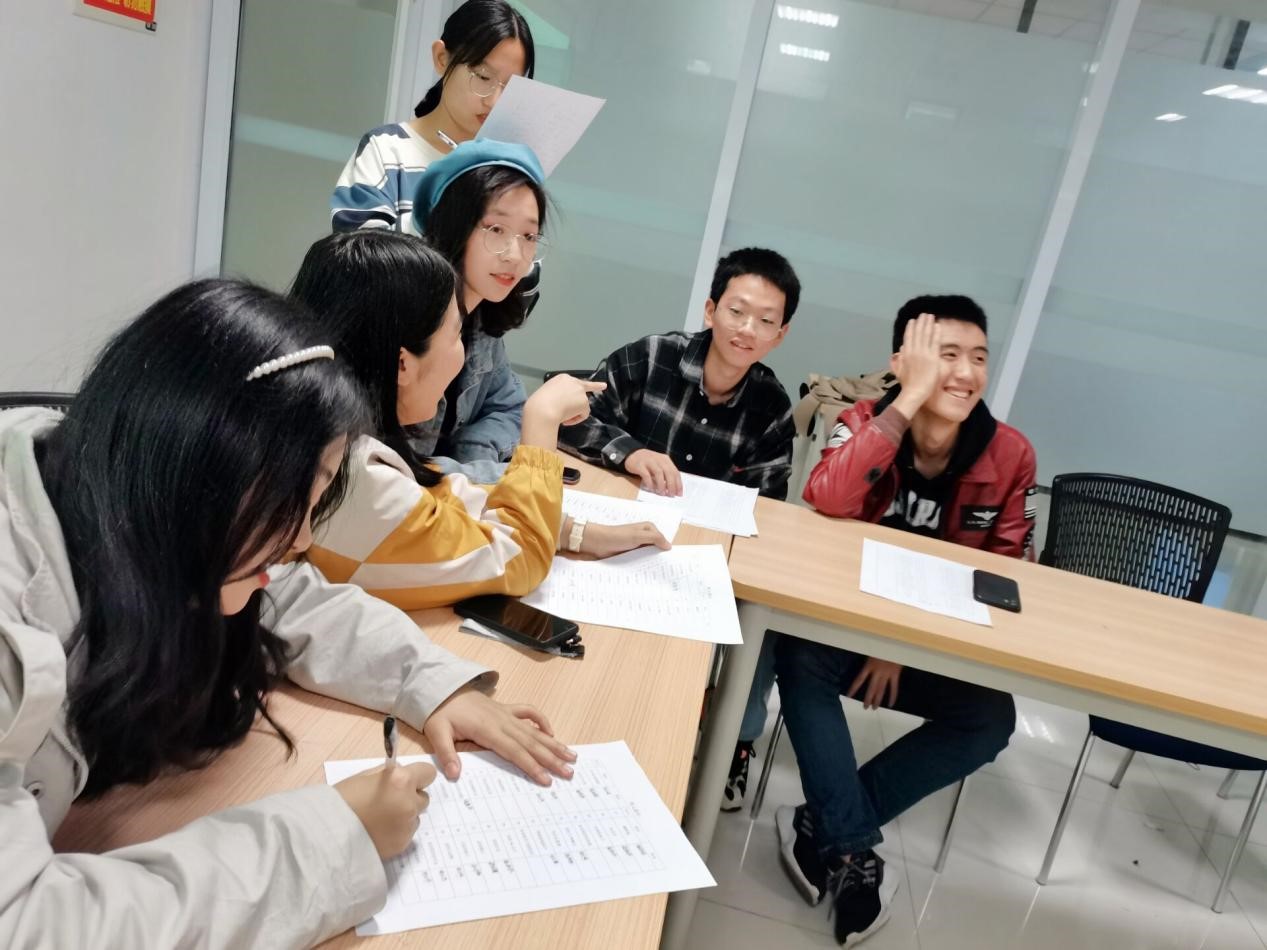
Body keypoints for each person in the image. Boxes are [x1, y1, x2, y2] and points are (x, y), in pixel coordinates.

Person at [0, 279, 574, 948]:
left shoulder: (116, 494)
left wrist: (430, 682)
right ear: (198, 469)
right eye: (287, 500)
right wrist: (333, 839)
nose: (301, 537)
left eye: (315, 496)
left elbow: (287, 593)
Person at [775, 295, 1036, 947]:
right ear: (903, 362)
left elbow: (1007, 579)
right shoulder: (864, 422)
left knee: (989, 717)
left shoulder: (1009, 455)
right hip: (841, 636)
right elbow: (827, 495)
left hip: (925, 648)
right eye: (945, 356)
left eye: (978, 358)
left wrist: (899, 644)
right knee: (796, 653)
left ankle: (824, 825)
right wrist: (906, 401)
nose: (966, 373)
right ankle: (852, 847)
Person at [290, 230, 669, 610]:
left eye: (529, 235)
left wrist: (574, 531)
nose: (514, 255)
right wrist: (541, 420)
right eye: (457, 334)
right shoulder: (352, 479)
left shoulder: (323, 435)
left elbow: (439, 496)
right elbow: (520, 559)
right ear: (403, 363)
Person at [556, 246, 801, 811]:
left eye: (766, 321)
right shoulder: (651, 357)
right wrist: (631, 452)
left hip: (695, 564)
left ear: (780, 335)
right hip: (612, 539)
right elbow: (571, 420)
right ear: (711, 309)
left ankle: (694, 754)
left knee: (702, 661)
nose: (747, 329)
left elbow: (767, 501)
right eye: (737, 311)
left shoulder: (771, 405)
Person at [331, 0, 533, 233]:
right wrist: (451, 212)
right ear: (441, 58)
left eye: (511, 87)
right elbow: (357, 248)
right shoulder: (386, 150)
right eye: (483, 76)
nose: (494, 101)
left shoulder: (506, 169)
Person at [410, 139, 547, 469]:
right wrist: (473, 476)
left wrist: (472, 454)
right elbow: (391, 466)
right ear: (454, 226)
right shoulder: (407, 318)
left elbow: (508, 407)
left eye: (529, 236)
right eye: (496, 229)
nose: (515, 255)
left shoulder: (482, 324)